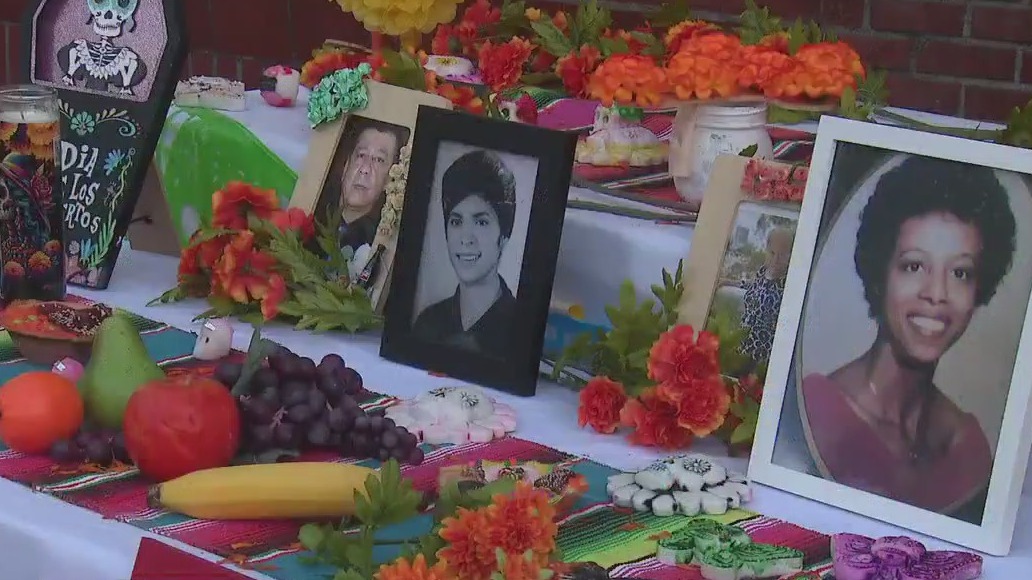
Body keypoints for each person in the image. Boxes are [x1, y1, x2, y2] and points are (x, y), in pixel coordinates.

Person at [798, 154, 1016, 522]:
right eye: (914, 266)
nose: (937, 293)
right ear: (880, 273)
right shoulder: (818, 412)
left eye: (960, 273)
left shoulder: (970, 447)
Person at [411, 150, 518, 357]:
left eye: (481, 222)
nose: (466, 238)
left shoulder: (519, 330)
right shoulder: (428, 324)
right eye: (456, 222)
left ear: (504, 234)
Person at [335, 122, 408, 251]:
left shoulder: (377, 246)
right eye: (361, 155)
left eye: (379, 160)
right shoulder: (312, 216)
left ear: (389, 179)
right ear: (346, 164)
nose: (365, 169)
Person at [739, 225, 794, 368]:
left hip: (763, 358)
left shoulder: (790, 283)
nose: (776, 259)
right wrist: (727, 282)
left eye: (782, 255)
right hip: (742, 346)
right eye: (772, 253)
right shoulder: (762, 271)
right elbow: (755, 287)